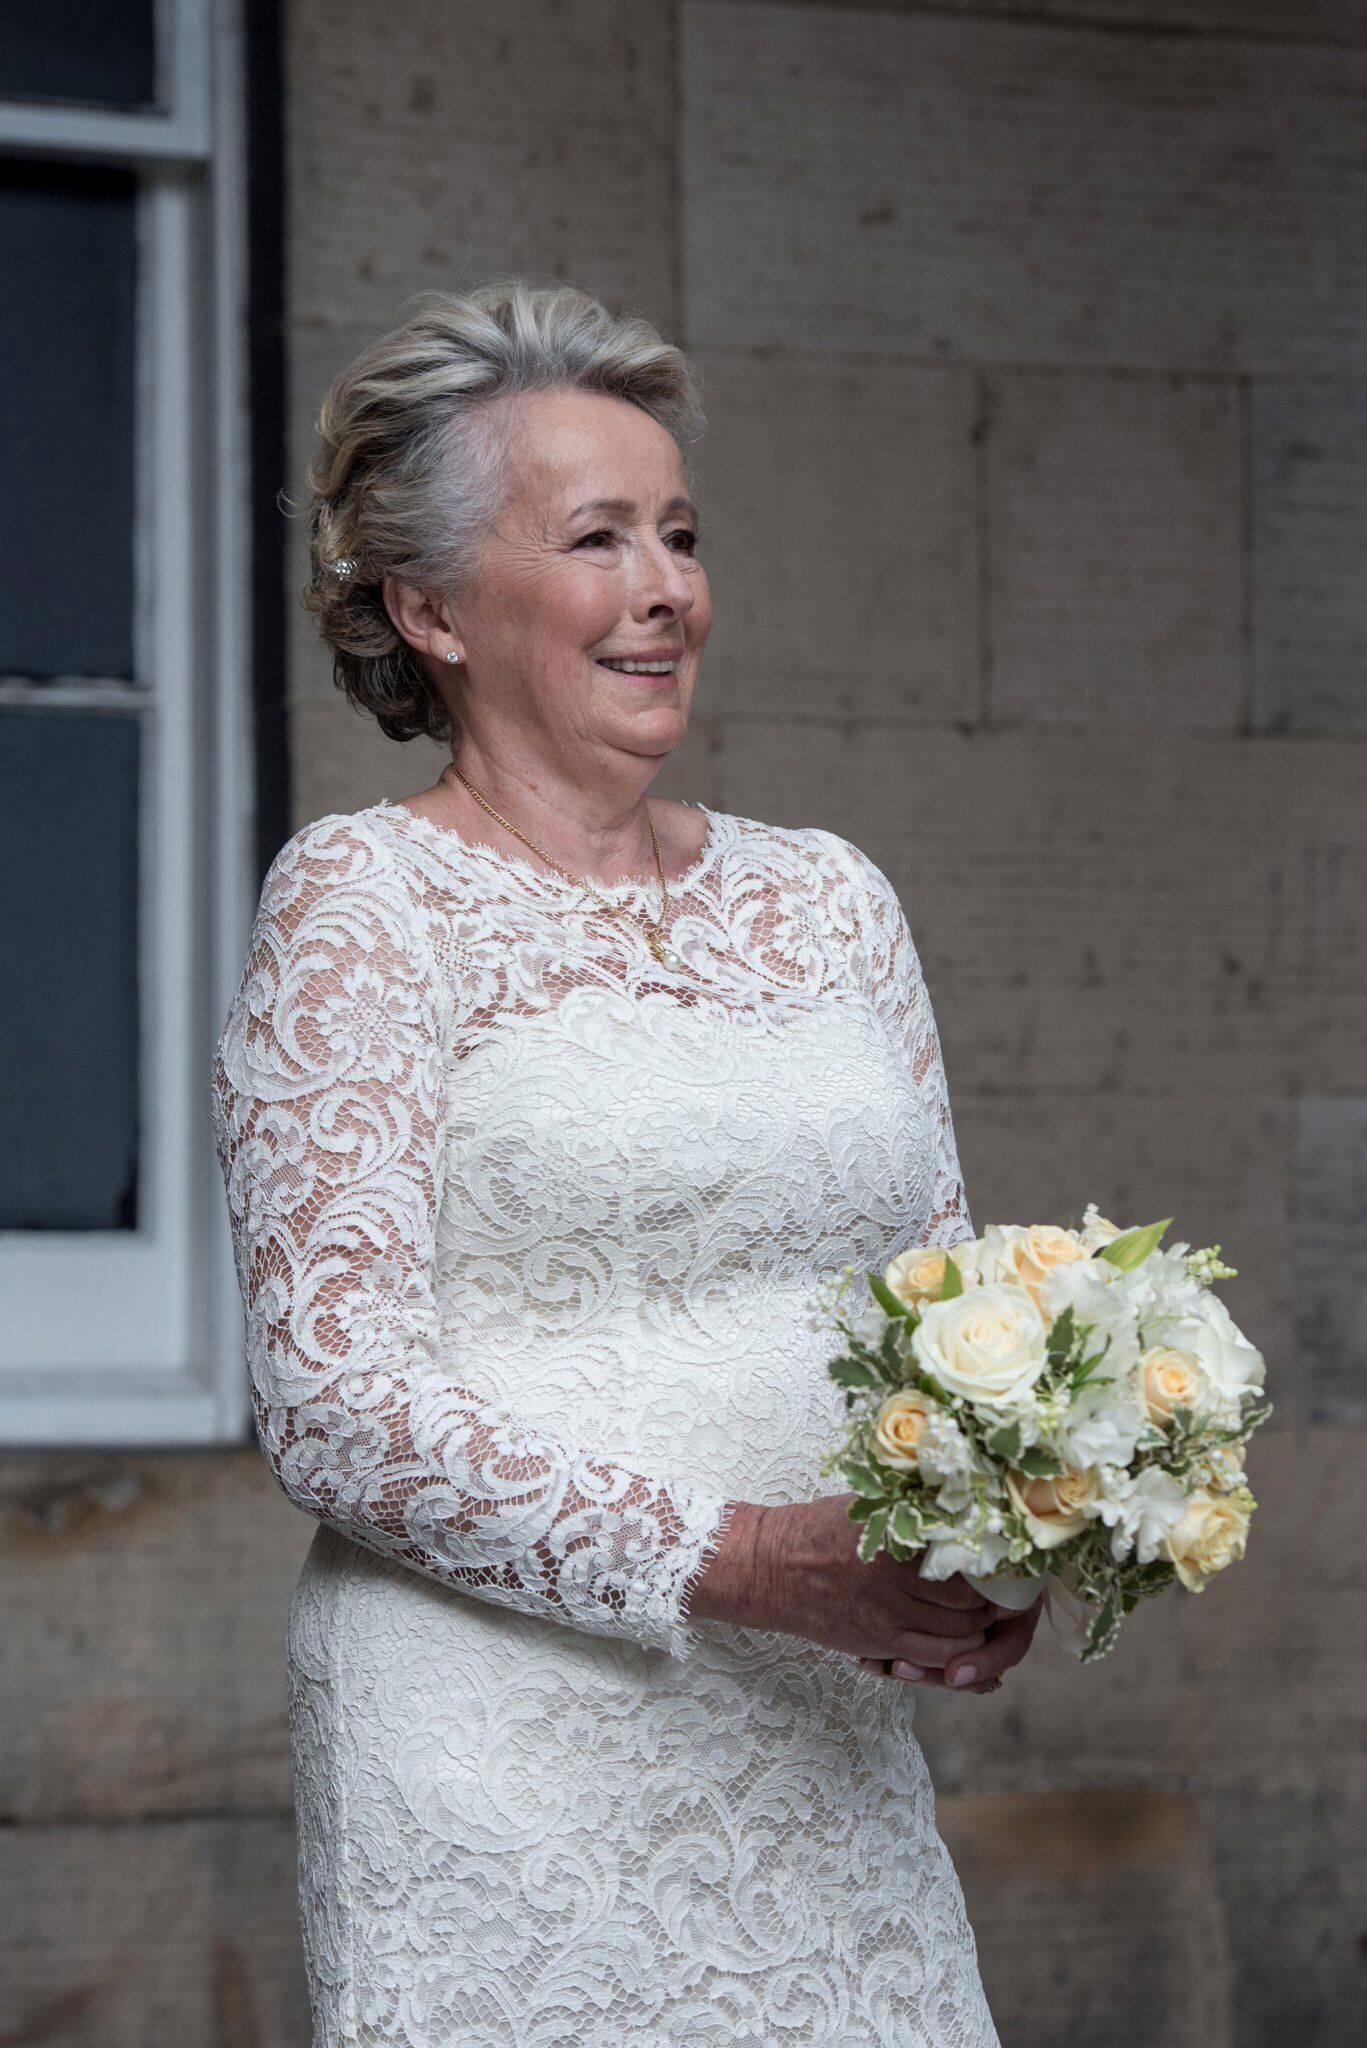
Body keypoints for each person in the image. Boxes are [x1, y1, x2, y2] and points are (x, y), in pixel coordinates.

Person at [210, 278, 1042, 2047]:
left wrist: (1006, 1520)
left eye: (678, 532)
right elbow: (332, 1398)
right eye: (598, 537)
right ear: (427, 605)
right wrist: (743, 1558)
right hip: (502, 1749)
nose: (667, 589)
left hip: (819, 1737)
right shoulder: (365, 906)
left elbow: (947, 1302)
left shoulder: (830, 896)